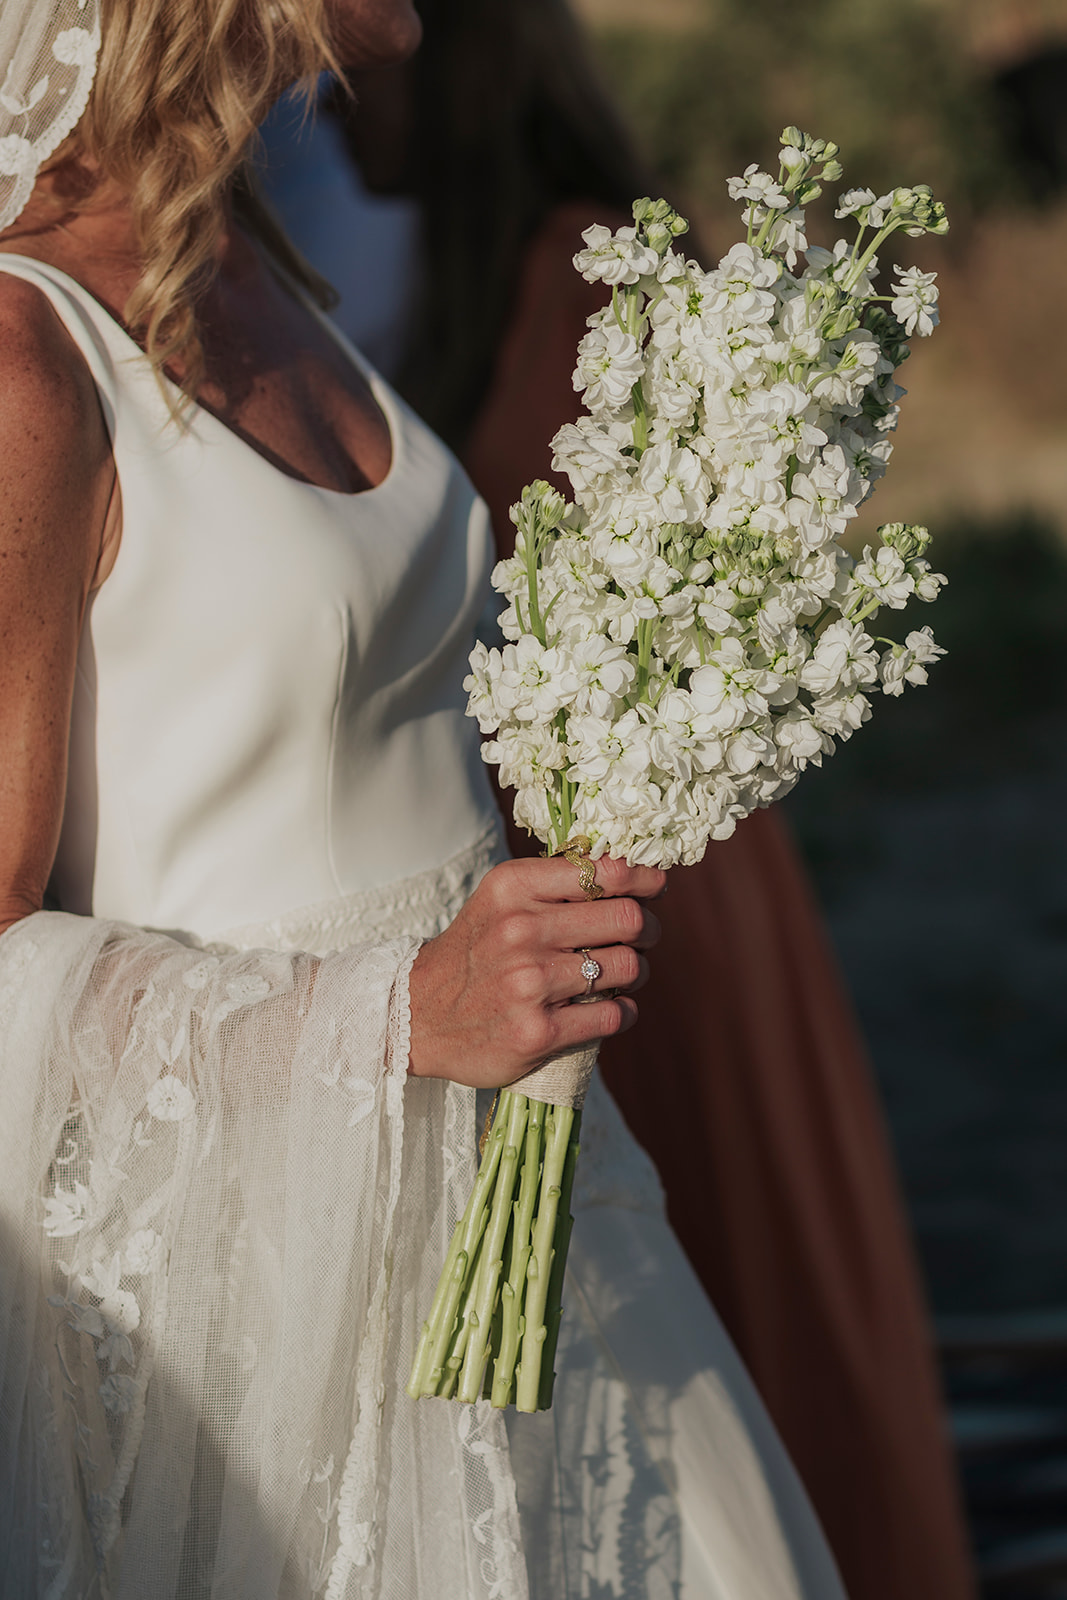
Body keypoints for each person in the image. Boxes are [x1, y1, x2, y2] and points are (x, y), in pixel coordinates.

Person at [0, 1, 851, 1596]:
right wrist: (392, 1016)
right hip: (274, 1289)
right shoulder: (22, 354)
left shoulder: (246, 253)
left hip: (532, 1199)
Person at [256, 3, 977, 1597]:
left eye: (369, 52)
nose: (326, 92)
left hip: (645, 828)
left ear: (461, 69)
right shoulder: (451, 269)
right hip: (548, 823)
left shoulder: (585, 262)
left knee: (712, 1266)